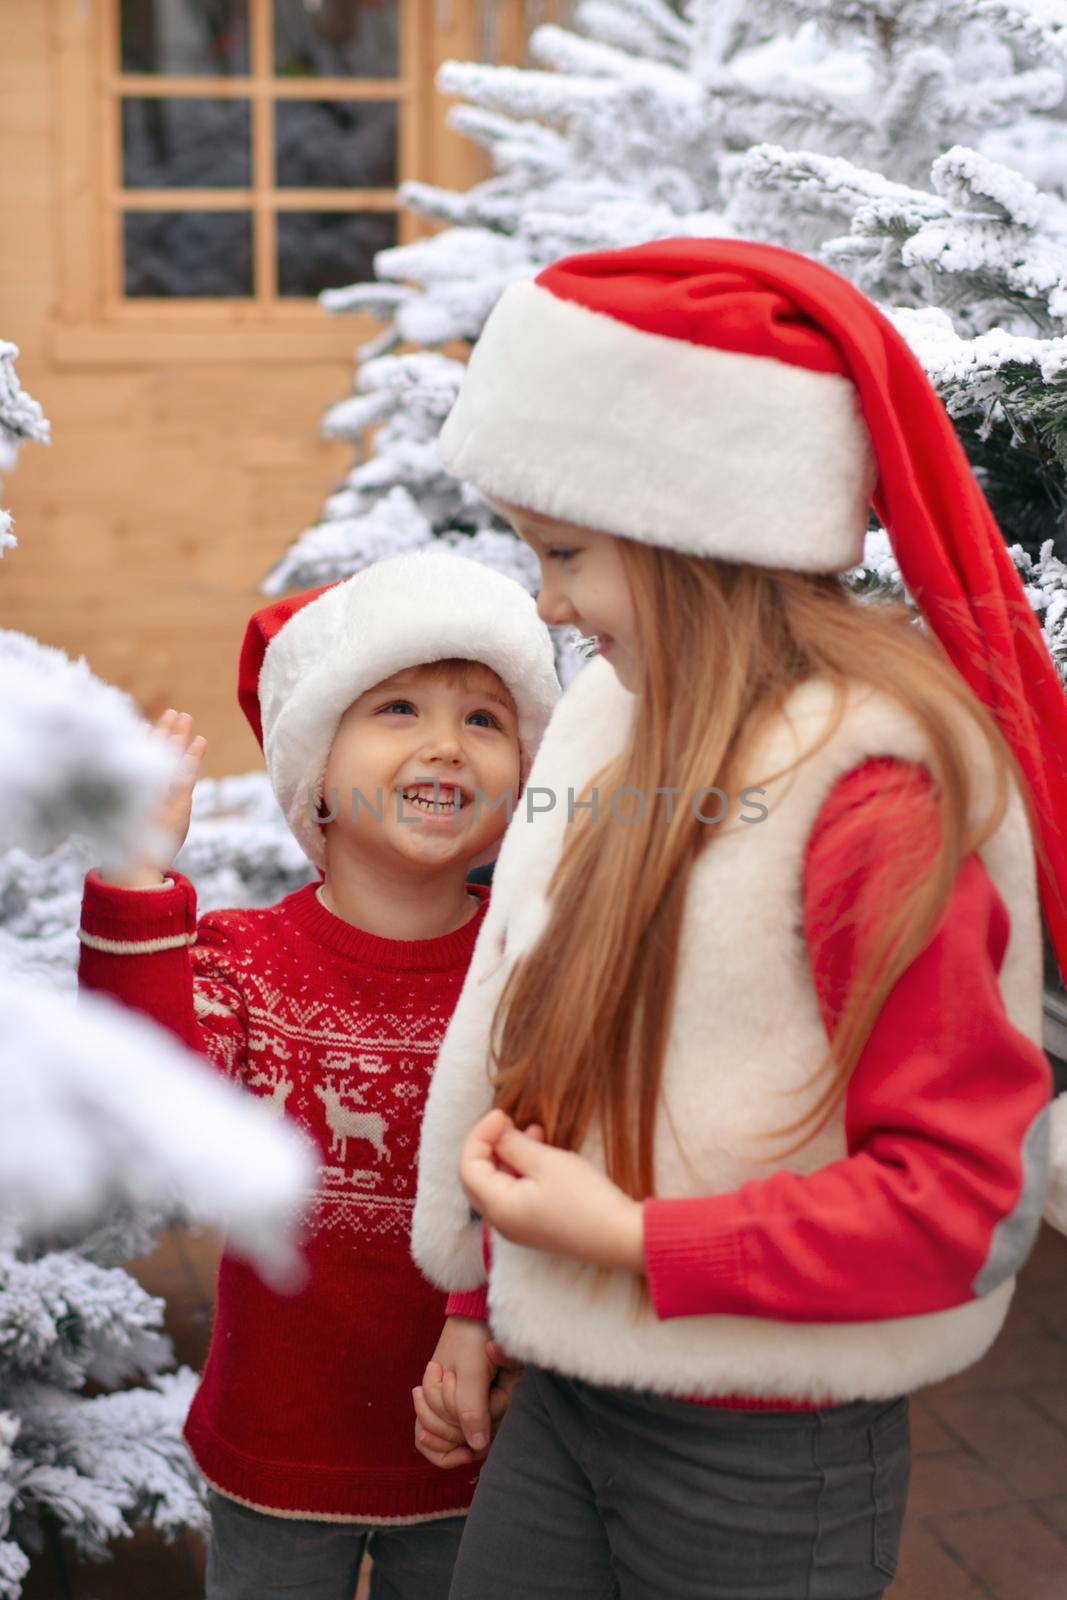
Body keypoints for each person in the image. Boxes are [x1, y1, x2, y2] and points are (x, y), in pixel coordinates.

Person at [408, 240, 1067, 1600]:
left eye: (566, 553)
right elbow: (528, 1023)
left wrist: (639, 1244)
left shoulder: (869, 803)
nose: (543, 601)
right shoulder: (612, 719)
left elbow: (960, 1202)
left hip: (763, 1465)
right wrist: (478, 1304)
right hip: (572, 1395)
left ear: (696, 534)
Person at [76, 549, 560, 1600]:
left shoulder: (529, 966)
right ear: (315, 775)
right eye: (397, 708)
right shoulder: (245, 961)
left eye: (483, 718)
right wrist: (134, 882)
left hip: (475, 1440)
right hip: (279, 1450)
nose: (445, 743)